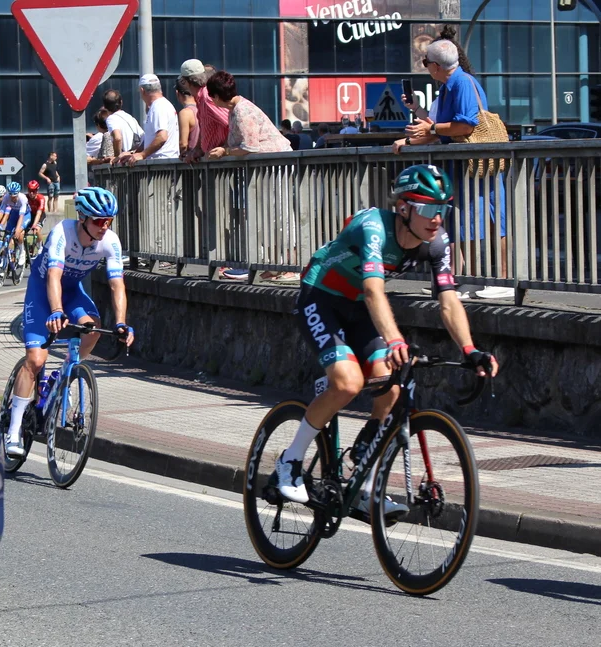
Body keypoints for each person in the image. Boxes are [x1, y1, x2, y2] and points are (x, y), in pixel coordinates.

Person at [273, 164, 498, 519]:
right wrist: (395, 341)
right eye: (428, 208)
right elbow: (373, 290)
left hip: (358, 309)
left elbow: (448, 300)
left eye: (442, 209)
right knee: (348, 383)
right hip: (321, 298)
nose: (436, 218)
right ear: (403, 207)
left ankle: (361, 477)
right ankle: (289, 462)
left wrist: (470, 350)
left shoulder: (437, 242)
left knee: (392, 387)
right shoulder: (374, 227)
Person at [3, 187, 134, 457]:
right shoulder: (63, 232)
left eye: (109, 221)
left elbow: (117, 285)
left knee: (93, 327)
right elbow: (53, 276)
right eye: (99, 220)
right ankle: (13, 430)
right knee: (36, 360)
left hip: (72, 292)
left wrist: (121, 323)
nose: (104, 226)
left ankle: (63, 374)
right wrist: (56, 311)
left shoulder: (110, 241)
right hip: (43, 292)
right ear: (82, 217)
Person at [395, 37, 511, 299]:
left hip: (475, 163)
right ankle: (477, 279)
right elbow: (440, 128)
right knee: (475, 220)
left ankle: (492, 279)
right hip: (473, 163)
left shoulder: (460, 83)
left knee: (479, 219)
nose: (425, 66)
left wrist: (430, 129)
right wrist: (418, 129)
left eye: (425, 62)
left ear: (436, 66)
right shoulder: (452, 85)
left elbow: (465, 125)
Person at [204, 71, 291, 158]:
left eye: (210, 96)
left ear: (216, 97)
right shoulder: (234, 109)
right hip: (272, 159)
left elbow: (249, 147)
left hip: (278, 160)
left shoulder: (242, 112)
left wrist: (225, 151)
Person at [116, 74, 180, 166]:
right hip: (162, 163)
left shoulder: (159, 106)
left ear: (142, 90)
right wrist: (133, 154)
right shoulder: (161, 105)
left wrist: (142, 154)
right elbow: (149, 139)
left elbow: (162, 137)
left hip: (161, 164)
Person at [178, 59, 229, 162]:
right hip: (214, 160)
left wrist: (225, 149)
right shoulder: (201, 98)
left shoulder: (206, 98)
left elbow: (230, 122)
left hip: (221, 162)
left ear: (185, 82)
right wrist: (197, 150)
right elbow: (204, 128)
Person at [0, 181, 30, 270]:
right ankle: (5, 262)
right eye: (11, 196)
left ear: (18, 193)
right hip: (14, 214)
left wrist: (17, 229)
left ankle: (22, 252)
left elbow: (21, 216)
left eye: (14, 196)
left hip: (25, 215)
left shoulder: (23, 198)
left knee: (20, 233)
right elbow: (1, 212)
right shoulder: (6, 198)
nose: (12, 198)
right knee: (7, 237)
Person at [102, 89, 144, 158]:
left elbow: (117, 138)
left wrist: (117, 157)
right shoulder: (130, 117)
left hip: (127, 159)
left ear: (105, 106)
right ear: (121, 102)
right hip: (137, 156)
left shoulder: (111, 118)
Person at [175, 77, 200, 157]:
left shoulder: (185, 113)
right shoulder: (203, 109)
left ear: (177, 93)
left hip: (192, 161)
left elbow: (183, 144)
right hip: (205, 158)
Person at [24, 179, 48, 255]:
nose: (31, 193)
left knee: (36, 230)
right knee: (22, 231)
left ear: (37, 190)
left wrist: (34, 225)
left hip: (40, 215)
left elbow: (39, 213)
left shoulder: (41, 198)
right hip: (30, 215)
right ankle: (25, 248)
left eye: (33, 191)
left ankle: (40, 247)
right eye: (29, 190)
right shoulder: (25, 198)